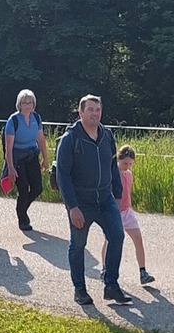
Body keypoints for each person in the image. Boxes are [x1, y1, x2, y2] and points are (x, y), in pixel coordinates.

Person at [55, 94, 133, 307]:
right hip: (80, 202)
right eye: (90, 110)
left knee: (117, 236)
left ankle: (111, 286)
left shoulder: (107, 135)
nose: (95, 114)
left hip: (105, 199)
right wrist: (72, 207)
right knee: (78, 245)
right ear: (81, 113)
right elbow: (63, 175)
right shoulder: (70, 139)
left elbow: (112, 166)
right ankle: (80, 290)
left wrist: (117, 195)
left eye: (97, 110)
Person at [1, 89, 48, 233]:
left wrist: (45, 159)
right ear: (19, 104)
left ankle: (22, 209)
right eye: (24, 102)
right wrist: (10, 167)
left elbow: (41, 139)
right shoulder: (13, 121)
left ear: (34, 104)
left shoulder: (37, 118)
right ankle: (23, 219)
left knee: (37, 188)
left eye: (30, 102)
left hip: (32, 156)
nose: (27, 105)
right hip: (18, 159)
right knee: (23, 189)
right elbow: (9, 147)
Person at [114, 144, 154, 286]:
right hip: (115, 213)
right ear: (118, 159)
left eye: (130, 164)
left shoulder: (129, 174)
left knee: (138, 239)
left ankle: (143, 271)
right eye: (125, 163)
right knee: (110, 241)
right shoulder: (113, 174)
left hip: (127, 211)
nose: (127, 166)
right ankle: (106, 269)